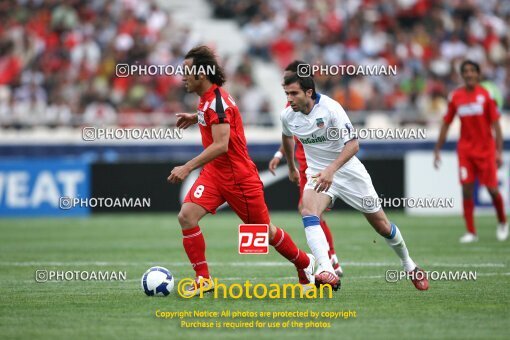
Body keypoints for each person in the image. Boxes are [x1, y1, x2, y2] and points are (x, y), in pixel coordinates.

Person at [167, 46, 315, 296]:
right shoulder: (208, 100)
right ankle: (203, 279)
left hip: (239, 179)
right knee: (186, 216)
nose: (183, 76)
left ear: (201, 75)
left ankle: (304, 263)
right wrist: (197, 117)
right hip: (215, 175)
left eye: (187, 71)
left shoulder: (216, 102)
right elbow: (215, 117)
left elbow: (221, 145)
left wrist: (187, 166)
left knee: (264, 232)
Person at [280, 73, 429, 291]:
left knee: (382, 226)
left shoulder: (331, 109)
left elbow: (353, 145)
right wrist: (292, 166)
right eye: (287, 94)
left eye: (294, 93)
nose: (289, 98)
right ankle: (326, 268)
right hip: (318, 174)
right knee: (308, 211)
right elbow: (286, 137)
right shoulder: (287, 116)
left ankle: (409, 264)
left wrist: (331, 170)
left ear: (308, 92)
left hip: (348, 172)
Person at [268, 60, 343, 277]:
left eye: (289, 79)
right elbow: (288, 135)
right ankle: (331, 260)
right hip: (303, 166)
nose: (285, 85)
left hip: (319, 165)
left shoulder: (323, 107)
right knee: (310, 211)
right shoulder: (290, 107)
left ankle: (329, 261)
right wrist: (280, 154)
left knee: (308, 209)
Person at [434, 60, 508, 243]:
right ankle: (471, 232)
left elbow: (496, 125)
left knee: (492, 190)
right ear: (462, 75)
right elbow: (446, 123)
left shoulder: (486, 95)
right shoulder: (456, 97)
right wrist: (437, 149)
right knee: (466, 190)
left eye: (472, 71)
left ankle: (502, 222)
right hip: (466, 151)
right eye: (465, 71)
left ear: (478, 74)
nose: (469, 74)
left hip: (486, 150)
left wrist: (498, 151)